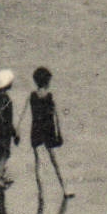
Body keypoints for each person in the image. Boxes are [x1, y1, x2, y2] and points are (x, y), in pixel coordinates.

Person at [28, 67, 70, 200]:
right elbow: (57, 116)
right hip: (49, 130)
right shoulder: (50, 97)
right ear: (47, 82)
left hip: (36, 130)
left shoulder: (32, 96)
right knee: (55, 161)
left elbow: (24, 113)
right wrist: (60, 133)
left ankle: (41, 193)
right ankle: (65, 190)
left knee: (38, 163)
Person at [0, 69, 21, 184]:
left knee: (1, 151)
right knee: (5, 153)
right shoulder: (5, 99)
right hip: (4, 129)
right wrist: (13, 132)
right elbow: (5, 117)